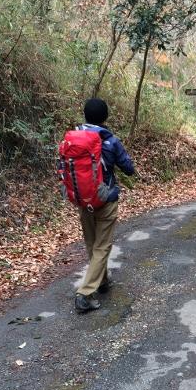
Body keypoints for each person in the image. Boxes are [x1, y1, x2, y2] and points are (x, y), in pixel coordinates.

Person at [74, 98, 135, 313]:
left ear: (85, 115)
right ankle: (84, 294)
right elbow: (128, 169)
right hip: (106, 200)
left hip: (83, 200)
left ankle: (102, 281)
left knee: (92, 244)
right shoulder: (110, 141)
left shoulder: (73, 139)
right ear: (105, 117)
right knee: (102, 246)